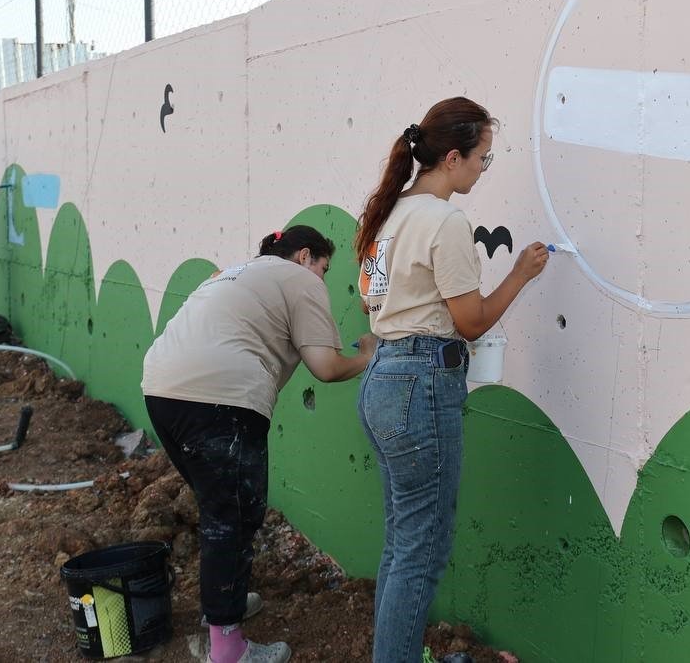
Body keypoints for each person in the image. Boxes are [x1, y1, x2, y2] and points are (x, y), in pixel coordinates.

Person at [354, 97, 548, 663]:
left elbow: (369, 296)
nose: (483, 171)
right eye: (483, 159)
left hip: (383, 380)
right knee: (423, 549)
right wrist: (520, 275)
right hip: (420, 386)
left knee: (403, 541)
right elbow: (470, 323)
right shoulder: (444, 221)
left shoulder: (387, 216)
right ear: (455, 157)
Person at [142, 225, 377, 663]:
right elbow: (325, 367)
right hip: (220, 400)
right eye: (324, 268)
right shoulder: (300, 279)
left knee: (222, 510)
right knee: (231, 519)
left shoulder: (233, 273)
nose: (321, 278)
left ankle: (221, 609)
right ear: (305, 256)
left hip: (161, 390)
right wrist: (367, 353)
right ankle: (228, 648)